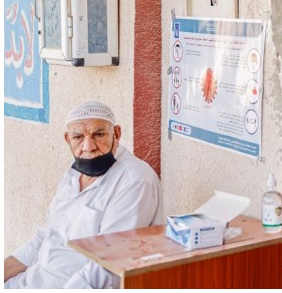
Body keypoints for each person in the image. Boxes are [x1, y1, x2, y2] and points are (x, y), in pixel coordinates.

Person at [4, 101, 163, 288]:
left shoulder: (134, 180)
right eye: (78, 136)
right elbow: (48, 234)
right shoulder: (73, 174)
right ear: (67, 139)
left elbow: (110, 265)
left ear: (117, 134)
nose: (88, 147)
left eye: (99, 134)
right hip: (32, 281)